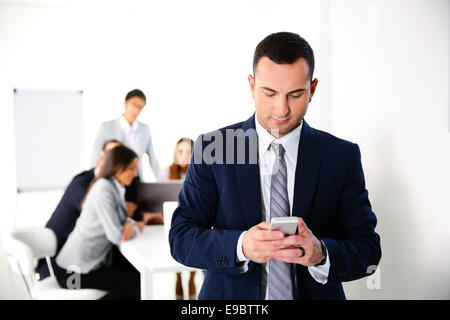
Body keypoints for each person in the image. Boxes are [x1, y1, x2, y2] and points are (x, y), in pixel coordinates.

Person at [169, 32, 381, 300]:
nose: (281, 110)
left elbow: (368, 251)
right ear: (251, 85)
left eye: (295, 95)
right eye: (270, 94)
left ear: (312, 89)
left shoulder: (341, 156)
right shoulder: (216, 148)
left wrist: (321, 253)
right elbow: (181, 238)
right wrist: (240, 246)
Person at [54, 145, 144, 299]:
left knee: (133, 273)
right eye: (131, 168)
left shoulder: (115, 187)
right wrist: (135, 227)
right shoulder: (104, 189)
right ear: (117, 167)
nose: (135, 174)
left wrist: (128, 224)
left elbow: (123, 221)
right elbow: (118, 236)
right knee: (133, 281)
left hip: (87, 265)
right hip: (72, 273)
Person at [35, 140, 121, 280]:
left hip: (79, 258)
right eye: (111, 154)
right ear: (102, 155)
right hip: (57, 261)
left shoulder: (108, 185)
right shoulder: (83, 182)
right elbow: (104, 210)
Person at [90, 89, 160, 180]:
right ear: (125, 103)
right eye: (134, 105)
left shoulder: (144, 130)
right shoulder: (106, 127)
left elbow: (153, 159)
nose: (136, 110)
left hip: (134, 179)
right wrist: (92, 179)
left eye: (140, 107)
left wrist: (163, 181)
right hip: (114, 178)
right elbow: (96, 156)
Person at [159, 138, 196, 300]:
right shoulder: (166, 173)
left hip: (194, 221)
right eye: (181, 152)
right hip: (170, 220)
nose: (184, 156)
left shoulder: (199, 172)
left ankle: (192, 278)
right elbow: (157, 198)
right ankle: (179, 277)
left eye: (189, 152)